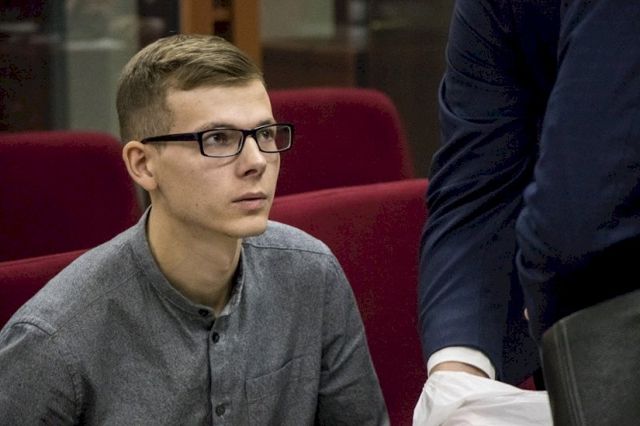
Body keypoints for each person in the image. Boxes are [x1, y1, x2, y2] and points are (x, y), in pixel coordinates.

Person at [0, 34, 389, 425]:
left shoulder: (312, 274)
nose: (256, 161)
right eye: (218, 139)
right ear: (143, 165)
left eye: (264, 134)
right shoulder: (50, 341)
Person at [417, 0, 640, 422]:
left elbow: (583, 211)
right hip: (582, 342)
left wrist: (550, 286)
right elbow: (475, 186)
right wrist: (457, 373)